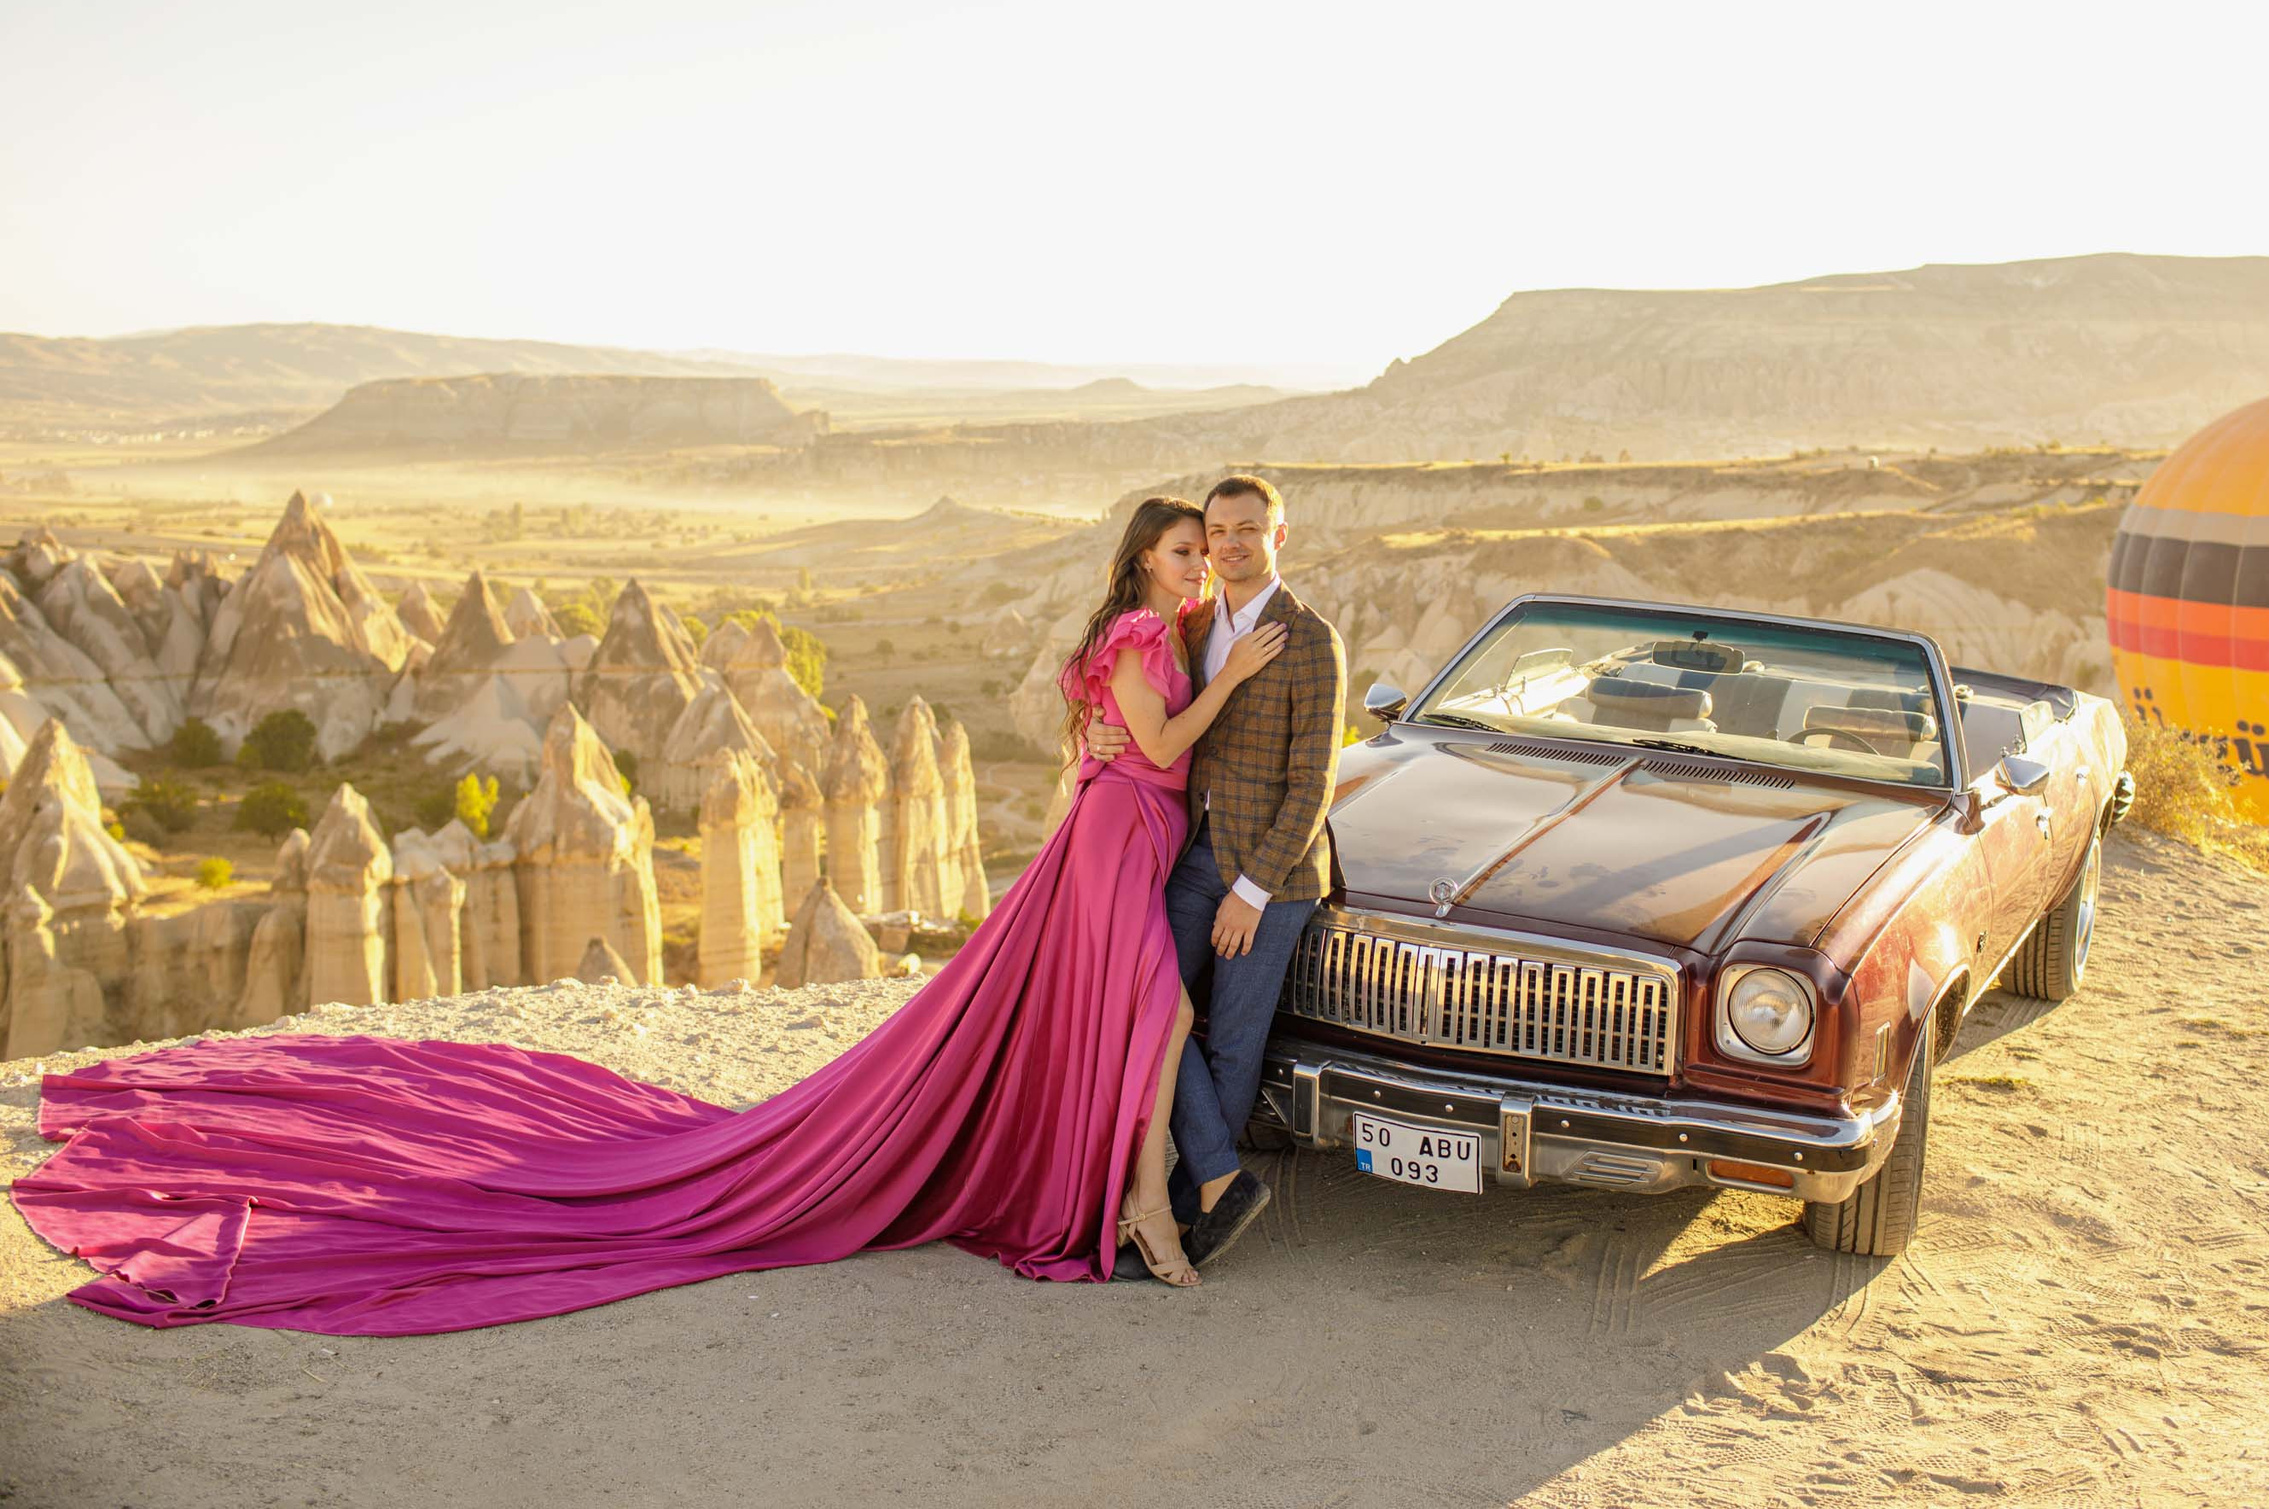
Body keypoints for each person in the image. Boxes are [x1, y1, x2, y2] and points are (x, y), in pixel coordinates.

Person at [9, 496, 1286, 1331]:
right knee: (1153, 1011)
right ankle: (1148, 1206)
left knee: (1133, 1016)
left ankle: (1139, 1198)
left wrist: (1189, 682)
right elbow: (1159, 742)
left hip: (1124, 840)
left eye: (1201, 552)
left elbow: (1114, 745)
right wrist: (1225, 676)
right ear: (1144, 560)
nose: (1193, 565)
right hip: (1121, 844)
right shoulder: (1141, 634)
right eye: (1181, 549)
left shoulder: (1155, 628)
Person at [1084, 473, 1347, 1270]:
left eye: (1245, 530)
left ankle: (1199, 1206)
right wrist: (1105, 734)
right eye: (1217, 531)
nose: (1228, 544)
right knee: (1152, 1002)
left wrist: (1252, 893)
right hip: (1192, 852)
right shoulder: (1192, 625)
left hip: (1275, 874)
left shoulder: (1311, 639)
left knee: (1232, 1042)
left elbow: (1313, 784)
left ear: (1279, 535)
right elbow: (1156, 715)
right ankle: (1217, 1182)